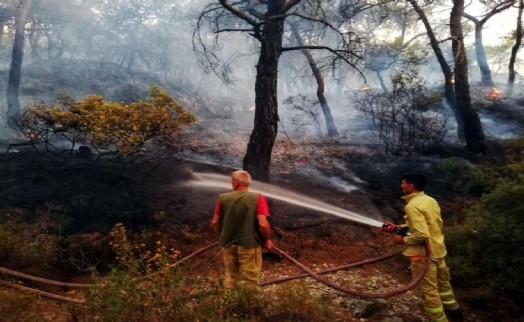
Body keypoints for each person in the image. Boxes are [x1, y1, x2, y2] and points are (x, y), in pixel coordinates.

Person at [391, 173, 463, 322]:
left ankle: (439, 319)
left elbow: (421, 234)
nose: (401, 185)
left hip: (423, 255)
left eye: (403, 183)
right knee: (444, 284)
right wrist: (400, 227)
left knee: (429, 291)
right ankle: (455, 313)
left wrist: (402, 239)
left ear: (412, 186)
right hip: (438, 250)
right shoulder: (429, 200)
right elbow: (430, 224)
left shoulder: (412, 206)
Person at [211, 170, 274, 289]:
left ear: (236, 183)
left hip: (228, 244)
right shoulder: (258, 198)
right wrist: (266, 240)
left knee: (231, 277)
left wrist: (223, 235)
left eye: (231, 181)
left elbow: (214, 222)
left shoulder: (223, 198)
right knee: (249, 279)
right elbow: (263, 224)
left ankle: (230, 304)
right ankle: (248, 306)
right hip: (249, 245)